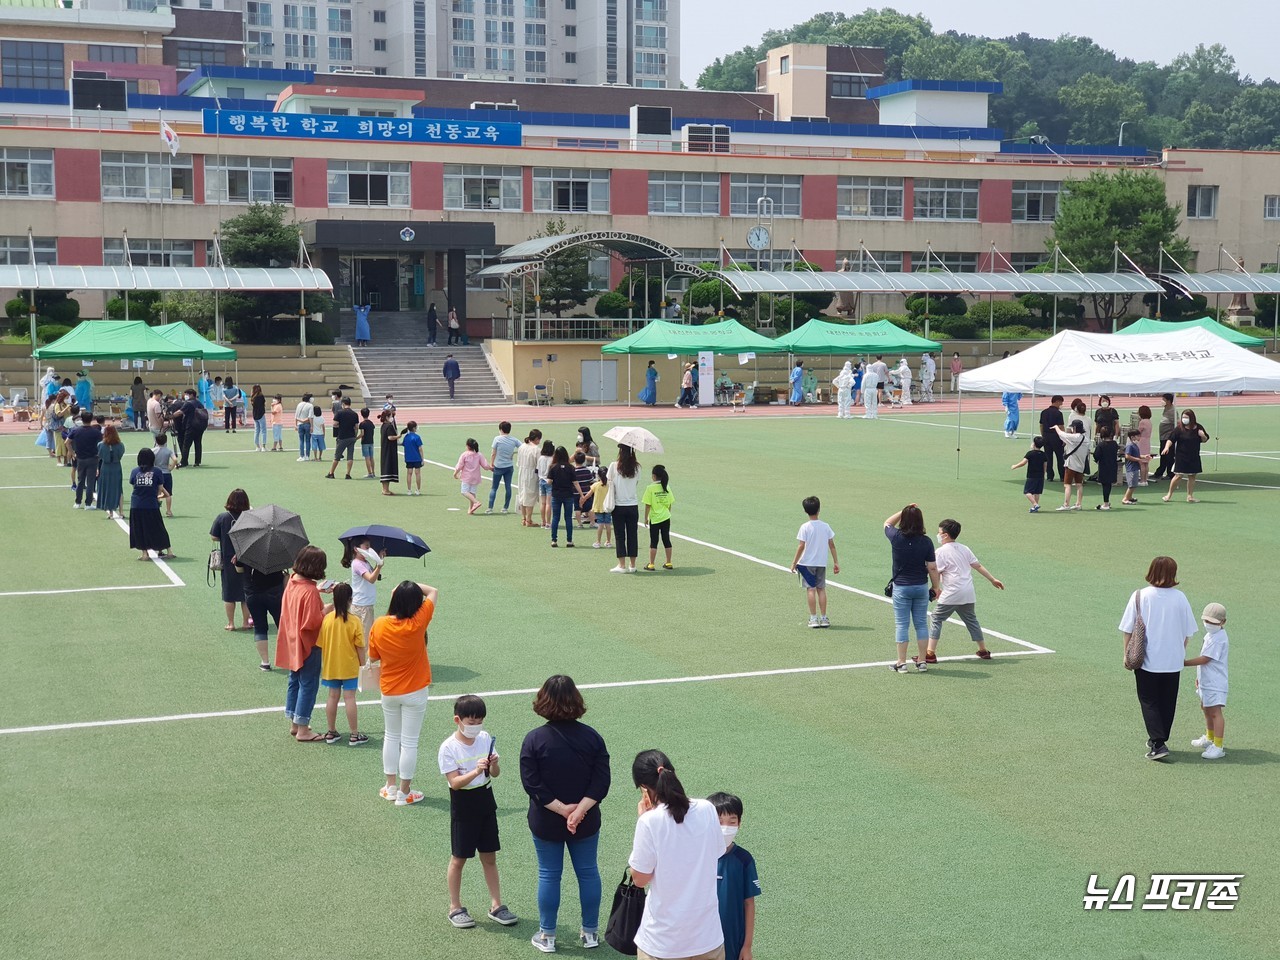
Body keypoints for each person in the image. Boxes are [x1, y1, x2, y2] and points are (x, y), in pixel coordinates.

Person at [520, 675, 611, 954]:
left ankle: (547, 936)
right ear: (576, 700)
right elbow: (601, 781)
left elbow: (531, 783)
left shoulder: (534, 739)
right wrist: (579, 810)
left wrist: (562, 810)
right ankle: (591, 933)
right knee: (588, 873)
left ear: (543, 700)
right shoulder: (592, 737)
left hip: (546, 820)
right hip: (585, 820)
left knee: (549, 875)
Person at [627, 749, 725, 960]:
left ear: (645, 790)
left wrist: (643, 819)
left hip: (662, 943)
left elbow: (640, 880)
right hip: (707, 939)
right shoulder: (707, 809)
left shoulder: (649, 822)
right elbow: (717, 852)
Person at [439, 695, 518, 929]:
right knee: (459, 858)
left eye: (479, 721)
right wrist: (475, 771)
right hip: (463, 805)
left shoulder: (484, 739)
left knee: (489, 856)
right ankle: (455, 907)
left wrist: (493, 763)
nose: (476, 726)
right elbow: (454, 783)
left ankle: (496, 905)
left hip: (485, 801)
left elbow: (495, 774)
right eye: (471, 722)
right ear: (458, 720)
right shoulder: (448, 747)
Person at [1119, 556, 1197, 761]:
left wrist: (1126, 653)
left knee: (1149, 700)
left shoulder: (1140, 596)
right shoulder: (1181, 598)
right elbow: (1189, 631)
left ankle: (1158, 742)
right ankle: (1158, 739)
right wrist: (1179, 650)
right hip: (1173, 660)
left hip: (1147, 660)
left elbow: (1127, 628)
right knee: (1167, 701)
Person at [369, 579, 439, 804]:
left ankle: (390, 787)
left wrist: (399, 588)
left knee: (391, 736)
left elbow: (372, 657)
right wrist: (412, 585)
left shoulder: (379, 624)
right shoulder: (418, 622)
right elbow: (433, 591)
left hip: (389, 690)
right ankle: (404, 792)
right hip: (416, 691)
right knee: (409, 742)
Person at [277, 545, 334, 743]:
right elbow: (312, 622)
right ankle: (303, 729)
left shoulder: (292, 582)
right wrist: (327, 609)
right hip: (309, 643)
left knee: (294, 680)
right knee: (308, 684)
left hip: (292, 640)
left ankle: (295, 722)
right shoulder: (310, 591)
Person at [927, 518, 1003, 663]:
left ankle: (930, 653)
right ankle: (983, 650)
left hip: (952, 593)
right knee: (971, 620)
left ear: (945, 535)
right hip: (968, 592)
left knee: (936, 618)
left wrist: (936, 588)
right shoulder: (964, 548)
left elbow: (936, 571)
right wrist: (993, 579)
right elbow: (978, 565)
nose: (938, 535)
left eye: (939, 532)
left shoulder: (941, 552)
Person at [884, 504, 940, 673]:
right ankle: (922, 661)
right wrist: (936, 586)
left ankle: (901, 662)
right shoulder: (926, 541)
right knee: (921, 624)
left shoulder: (896, 537)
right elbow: (932, 567)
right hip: (921, 587)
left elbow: (887, 523)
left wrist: (904, 510)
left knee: (901, 624)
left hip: (902, 587)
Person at [707, 792, 759, 960]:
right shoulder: (697, 857)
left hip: (732, 944)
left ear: (740, 824)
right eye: (719, 821)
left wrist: (747, 946)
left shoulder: (744, 859)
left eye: (732, 822)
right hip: (699, 942)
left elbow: (749, 903)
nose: (725, 827)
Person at [317, 582, 368, 746]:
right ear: (350, 600)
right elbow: (360, 647)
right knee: (349, 698)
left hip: (331, 665)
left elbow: (321, 643)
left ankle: (331, 731)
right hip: (350, 666)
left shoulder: (327, 619)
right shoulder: (354, 621)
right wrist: (363, 665)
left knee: (332, 697)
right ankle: (354, 734)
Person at [1185, 603, 1229, 760]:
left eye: (1213, 622)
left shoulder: (1218, 639)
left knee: (1215, 712)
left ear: (1223, 622)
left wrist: (1183, 662)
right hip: (1207, 681)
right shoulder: (1211, 636)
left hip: (1215, 683)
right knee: (1205, 708)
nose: (1209, 625)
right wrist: (1199, 678)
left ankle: (1218, 746)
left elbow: (1205, 659)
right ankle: (1210, 738)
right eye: (1207, 621)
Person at [790, 495, 839, 628]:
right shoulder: (825, 526)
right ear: (819, 509)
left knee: (810, 590)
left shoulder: (805, 527)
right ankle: (824, 618)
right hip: (821, 563)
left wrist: (794, 563)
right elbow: (832, 545)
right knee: (821, 589)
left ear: (805, 511)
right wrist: (836, 562)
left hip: (806, 564)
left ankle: (813, 618)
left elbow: (801, 546)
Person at [210, 489, 252, 632]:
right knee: (245, 594)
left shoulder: (223, 517)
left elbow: (214, 537)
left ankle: (231, 623)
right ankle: (246, 622)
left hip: (228, 561)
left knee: (229, 594)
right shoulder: (249, 517)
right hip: (246, 559)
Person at [128, 448, 172, 560]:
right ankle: (168, 551)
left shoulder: (134, 472)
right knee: (158, 527)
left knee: (140, 529)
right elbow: (160, 488)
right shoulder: (157, 471)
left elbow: (134, 488)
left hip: (136, 505)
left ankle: (144, 554)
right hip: (151, 504)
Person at [1161, 409, 1211, 503]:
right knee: (1178, 476)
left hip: (1194, 456)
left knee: (1192, 476)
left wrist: (1202, 435)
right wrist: (1166, 447)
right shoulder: (1179, 428)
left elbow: (1205, 439)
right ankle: (1169, 495)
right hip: (1181, 456)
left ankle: (1190, 496)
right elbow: (1171, 439)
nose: (1184, 419)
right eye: (1183, 417)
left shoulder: (1198, 427)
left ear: (1191, 418)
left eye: (1186, 417)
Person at [340, 537, 383, 639]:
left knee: (365, 636)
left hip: (365, 604)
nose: (369, 549)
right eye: (366, 547)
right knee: (364, 638)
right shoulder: (357, 564)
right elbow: (371, 579)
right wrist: (379, 566)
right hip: (362, 606)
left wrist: (379, 560)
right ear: (356, 549)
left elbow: (376, 576)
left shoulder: (365, 562)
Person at [608, 443, 642, 573]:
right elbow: (636, 483)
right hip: (632, 505)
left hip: (618, 505)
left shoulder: (614, 466)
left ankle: (621, 565)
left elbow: (609, 482)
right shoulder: (637, 467)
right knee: (633, 535)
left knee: (620, 535)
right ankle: (632, 565)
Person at [642, 464, 676, 571]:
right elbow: (670, 503)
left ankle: (651, 564)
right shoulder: (666, 487)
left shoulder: (650, 488)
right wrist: (667, 513)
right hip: (666, 517)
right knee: (666, 539)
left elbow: (648, 505)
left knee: (654, 541)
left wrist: (646, 518)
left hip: (655, 519)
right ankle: (669, 562)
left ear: (654, 476)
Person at [1052, 420, 1090, 511]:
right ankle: (1078, 504)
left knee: (1067, 485)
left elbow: (1062, 434)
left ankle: (1066, 504)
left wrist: (1056, 427)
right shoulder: (1086, 439)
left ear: (1075, 428)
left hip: (1071, 464)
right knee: (1079, 484)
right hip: (1081, 465)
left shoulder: (1074, 437)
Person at [67, 411, 102, 510]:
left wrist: (73, 453)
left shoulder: (76, 431)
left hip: (80, 458)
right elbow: (103, 443)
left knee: (80, 480)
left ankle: (77, 502)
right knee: (90, 482)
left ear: (82, 419)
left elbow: (67, 442)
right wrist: (99, 455)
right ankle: (88, 504)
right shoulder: (96, 432)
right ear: (91, 420)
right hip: (92, 458)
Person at [546, 446, 579, 548]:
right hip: (568, 495)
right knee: (568, 518)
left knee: (555, 517)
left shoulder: (553, 467)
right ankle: (569, 540)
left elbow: (549, 482)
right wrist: (582, 494)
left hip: (556, 495)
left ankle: (554, 540)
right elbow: (575, 483)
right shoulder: (571, 467)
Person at [487, 420, 521, 514]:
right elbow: (522, 447)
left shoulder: (497, 439)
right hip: (509, 466)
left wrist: (491, 463)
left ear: (501, 429)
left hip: (498, 466)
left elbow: (493, 453)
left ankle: (490, 508)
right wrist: (513, 453)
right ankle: (505, 508)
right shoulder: (514, 440)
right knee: (508, 487)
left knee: (494, 488)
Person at [95, 424, 125, 520]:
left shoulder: (100, 445)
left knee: (107, 488)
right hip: (116, 467)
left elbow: (99, 457)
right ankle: (121, 511)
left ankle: (111, 512)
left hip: (105, 467)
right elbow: (120, 455)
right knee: (119, 489)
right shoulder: (120, 445)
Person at [325, 396, 360, 480]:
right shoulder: (354, 414)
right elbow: (356, 427)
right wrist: (355, 436)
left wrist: (341, 425)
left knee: (337, 456)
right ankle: (348, 474)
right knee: (350, 456)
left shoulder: (339, 413)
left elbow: (335, 424)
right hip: (352, 436)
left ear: (343, 404)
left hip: (342, 437)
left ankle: (331, 473)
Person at [454, 438, 491, 515]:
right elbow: (485, 465)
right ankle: (471, 509)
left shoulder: (464, 454)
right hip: (476, 477)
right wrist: (490, 468)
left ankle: (476, 502)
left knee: (464, 491)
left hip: (467, 477)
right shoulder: (479, 455)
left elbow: (459, 466)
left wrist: (455, 473)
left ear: (467, 446)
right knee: (472, 492)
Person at [1011, 437, 1048, 512]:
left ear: (1034, 444)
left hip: (1032, 476)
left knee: (1027, 492)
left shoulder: (1030, 453)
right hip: (1040, 476)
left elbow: (1023, 463)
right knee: (1037, 492)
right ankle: (1035, 507)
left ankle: (1035, 504)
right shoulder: (1043, 454)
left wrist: (1015, 466)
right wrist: (1043, 474)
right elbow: (1045, 465)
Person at [517, 429, 543, 527]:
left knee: (522, 494)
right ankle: (528, 520)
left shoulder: (522, 446)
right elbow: (539, 464)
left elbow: (518, 461)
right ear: (536, 439)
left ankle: (524, 518)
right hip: (531, 473)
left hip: (522, 471)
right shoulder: (537, 449)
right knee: (530, 496)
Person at [1150, 393, 1177, 481]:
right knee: (1164, 455)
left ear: (1168, 401)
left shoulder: (1172, 411)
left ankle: (1170, 473)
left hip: (1168, 437)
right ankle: (1160, 472)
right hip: (1163, 436)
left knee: (1169, 456)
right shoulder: (1166, 409)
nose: (1162, 401)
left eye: (1164, 399)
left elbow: (1177, 423)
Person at [1039, 395, 1065, 481]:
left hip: (1046, 436)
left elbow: (1041, 425)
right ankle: (1062, 476)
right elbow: (1061, 426)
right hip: (1056, 437)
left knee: (1048, 457)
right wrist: (1064, 438)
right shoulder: (1058, 413)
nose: (1061, 404)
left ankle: (1050, 476)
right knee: (1060, 457)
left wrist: (1043, 435)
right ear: (1057, 402)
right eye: (1061, 402)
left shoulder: (1044, 412)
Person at [586, 467, 613, 550]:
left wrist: (582, 499)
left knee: (600, 524)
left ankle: (598, 541)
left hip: (598, 507)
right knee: (608, 524)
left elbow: (588, 494)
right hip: (608, 507)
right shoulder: (610, 484)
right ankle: (608, 541)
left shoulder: (596, 485)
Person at [1094, 426, 1120, 511]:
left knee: (1105, 485)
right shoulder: (1114, 444)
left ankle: (1105, 503)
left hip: (1104, 467)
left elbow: (1096, 455)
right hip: (1112, 466)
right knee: (1108, 485)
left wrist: (1097, 460)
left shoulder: (1101, 445)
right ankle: (1107, 502)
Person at [1121, 429, 1149, 505]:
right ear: (1132, 437)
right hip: (1131, 468)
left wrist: (1144, 456)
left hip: (1135, 468)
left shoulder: (1135, 445)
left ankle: (1129, 497)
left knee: (1134, 484)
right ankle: (1125, 499)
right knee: (1131, 485)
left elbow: (1137, 455)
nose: (1139, 438)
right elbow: (1127, 456)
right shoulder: (1130, 446)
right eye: (1138, 436)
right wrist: (1138, 459)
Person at [151, 433, 177, 518]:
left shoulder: (153, 451)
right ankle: (169, 510)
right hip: (167, 474)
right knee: (168, 494)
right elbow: (175, 459)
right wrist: (171, 468)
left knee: (156, 492)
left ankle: (156, 510)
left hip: (156, 474)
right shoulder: (168, 451)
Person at [379, 409, 400, 496]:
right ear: (387, 417)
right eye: (391, 416)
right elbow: (390, 437)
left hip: (385, 449)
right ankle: (385, 490)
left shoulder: (383, 425)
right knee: (387, 467)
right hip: (389, 449)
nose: (392, 418)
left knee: (385, 467)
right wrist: (398, 436)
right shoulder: (389, 426)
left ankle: (386, 489)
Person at [573, 451, 595, 526]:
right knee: (590, 508)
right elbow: (591, 480)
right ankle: (592, 522)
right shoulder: (587, 470)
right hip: (586, 493)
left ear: (574, 460)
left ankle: (579, 524)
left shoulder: (573, 471)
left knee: (577, 509)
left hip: (576, 493)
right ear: (584, 460)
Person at [538, 440, 555, 530]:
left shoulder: (540, 458)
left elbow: (537, 469)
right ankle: (548, 522)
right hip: (549, 481)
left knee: (543, 503)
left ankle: (543, 521)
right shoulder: (551, 459)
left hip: (541, 480)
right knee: (549, 504)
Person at [1135, 404, 1153, 485]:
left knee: (1142, 463)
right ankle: (1145, 480)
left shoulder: (1142, 422)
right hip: (1147, 441)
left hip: (1142, 441)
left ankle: (1142, 480)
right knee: (1146, 462)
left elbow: (1138, 432)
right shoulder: (1149, 421)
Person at [294, 393, 314, 461]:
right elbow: (310, 417)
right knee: (308, 440)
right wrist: (311, 426)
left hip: (300, 424)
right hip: (307, 424)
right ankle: (307, 456)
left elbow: (296, 415)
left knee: (301, 440)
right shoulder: (310, 405)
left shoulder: (299, 404)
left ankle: (301, 456)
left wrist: (296, 424)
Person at [358, 407, 377, 478]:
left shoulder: (362, 424)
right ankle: (373, 472)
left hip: (365, 442)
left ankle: (370, 473)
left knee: (367, 458)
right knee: (371, 457)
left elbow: (362, 434)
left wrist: (356, 438)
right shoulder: (371, 423)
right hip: (371, 441)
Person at [250, 385, 267, 452]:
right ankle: (263, 446)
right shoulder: (261, 396)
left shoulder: (253, 397)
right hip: (261, 415)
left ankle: (257, 446)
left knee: (257, 431)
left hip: (255, 415)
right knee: (263, 431)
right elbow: (263, 404)